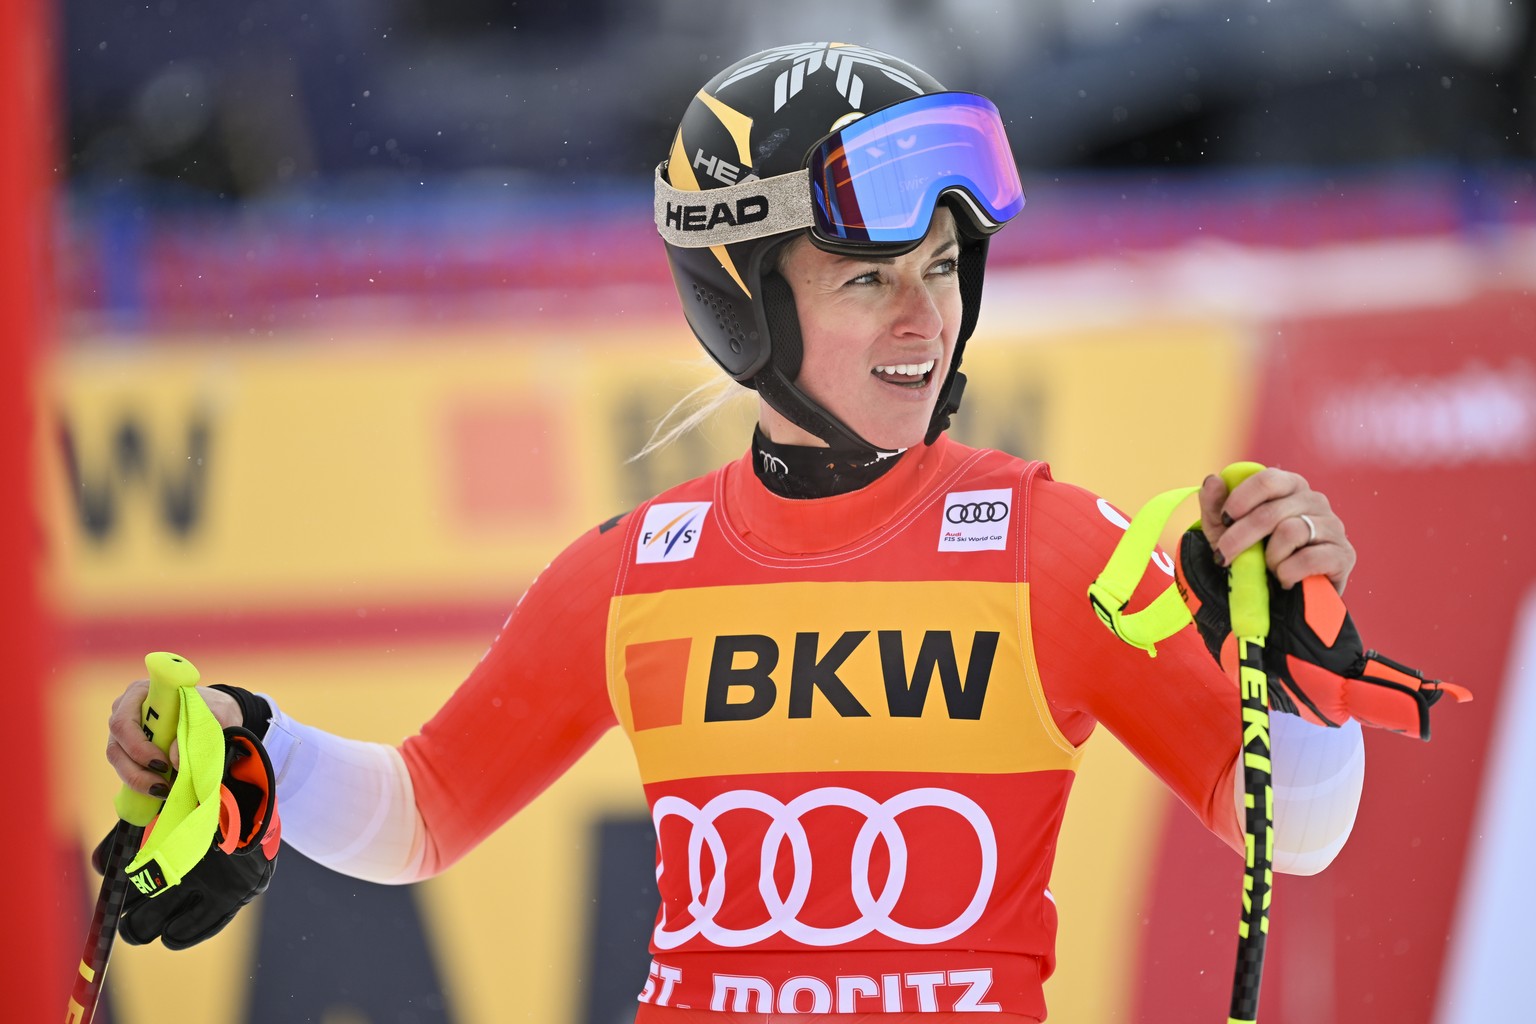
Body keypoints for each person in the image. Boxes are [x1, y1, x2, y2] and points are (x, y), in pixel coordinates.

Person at [104, 41, 1462, 1022]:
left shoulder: (1050, 550)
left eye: (943, 268)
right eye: (870, 278)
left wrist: (1296, 680)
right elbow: (421, 816)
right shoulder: (632, 575)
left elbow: (1300, 836)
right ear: (739, 298)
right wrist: (246, 740)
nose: (925, 318)